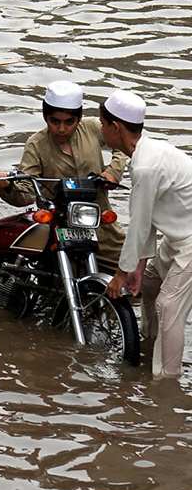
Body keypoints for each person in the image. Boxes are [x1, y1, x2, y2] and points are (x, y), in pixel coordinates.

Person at [0, 80, 127, 271]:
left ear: (80, 116)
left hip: (100, 228)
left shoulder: (93, 129)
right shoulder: (36, 145)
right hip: (61, 233)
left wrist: (113, 171)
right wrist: (7, 186)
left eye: (69, 122)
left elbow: (123, 144)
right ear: (44, 116)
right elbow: (26, 193)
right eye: (55, 121)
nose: (62, 129)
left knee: (133, 277)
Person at [103, 92, 192, 378]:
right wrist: (139, 268)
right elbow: (150, 218)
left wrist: (120, 274)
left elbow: (139, 226)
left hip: (189, 242)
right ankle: (150, 346)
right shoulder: (148, 152)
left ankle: (167, 381)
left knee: (168, 305)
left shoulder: (145, 166)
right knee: (150, 286)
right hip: (177, 237)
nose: (102, 132)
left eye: (104, 126)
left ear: (116, 126)